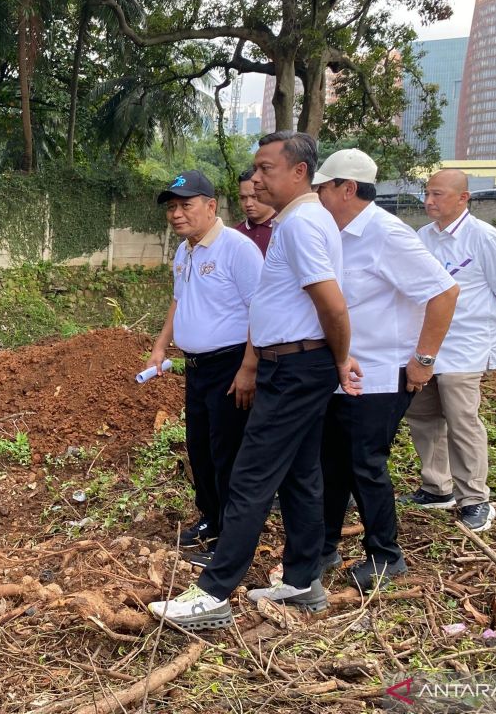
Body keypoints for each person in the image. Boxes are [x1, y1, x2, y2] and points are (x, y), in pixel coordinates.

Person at [150, 131, 360, 630]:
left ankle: (214, 592)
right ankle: (304, 581)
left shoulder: (301, 226)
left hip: (293, 365)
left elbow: (331, 303)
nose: (256, 178)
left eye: (266, 168)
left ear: (299, 172)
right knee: (300, 473)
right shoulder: (301, 221)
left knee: (250, 475)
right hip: (297, 362)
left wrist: (340, 357)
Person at [312, 149, 459, 589]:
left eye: (323, 187)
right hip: (344, 371)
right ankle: (325, 547)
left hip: (380, 373)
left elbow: (444, 292)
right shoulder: (335, 233)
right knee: (332, 462)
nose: (317, 194)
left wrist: (423, 359)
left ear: (347, 189)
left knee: (364, 463)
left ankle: (385, 555)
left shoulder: (385, 234)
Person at [145, 170, 263, 564]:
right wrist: (160, 346)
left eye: (186, 205)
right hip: (196, 368)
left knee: (227, 451)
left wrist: (248, 368)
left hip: (231, 364)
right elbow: (179, 302)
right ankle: (210, 520)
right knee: (199, 447)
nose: (177, 214)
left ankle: (232, 536)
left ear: (211, 206)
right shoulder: (185, 250)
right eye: (172, 207)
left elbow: (260, 311)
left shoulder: (238, 249)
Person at [401, 169, 496, 532]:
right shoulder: (423, 237)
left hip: (467, 345)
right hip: (429, 343)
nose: (429, 201)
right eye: (427, 193)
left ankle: (475, 497)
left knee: (461, 417)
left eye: (438, 194)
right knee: (423, 413)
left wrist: (482, 331)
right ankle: (438, 487)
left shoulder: (487, 238)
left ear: (462, 198)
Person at [235, 168, 276, 256]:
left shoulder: (285, 228)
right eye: (243, 198)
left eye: (254, 197)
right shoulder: (235, 234)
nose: (248, 204)